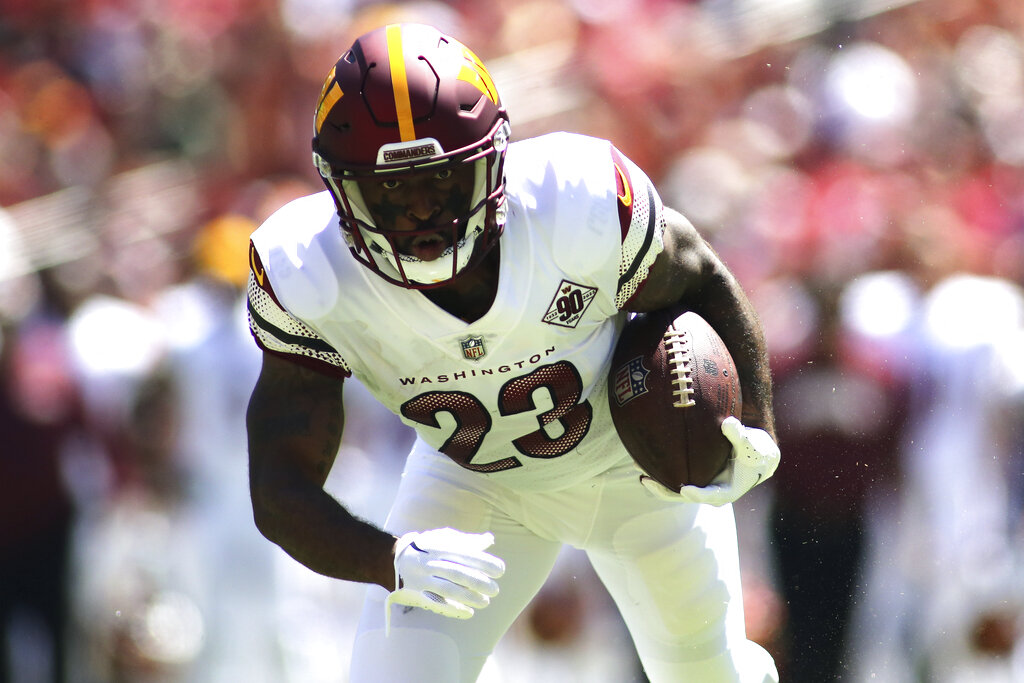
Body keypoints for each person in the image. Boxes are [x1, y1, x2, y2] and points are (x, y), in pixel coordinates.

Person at [244, 23, 780, 683]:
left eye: (440, 182)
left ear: (495, 158)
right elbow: (278, 486)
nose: (418, 216)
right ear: (338, 187)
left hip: (636, 467)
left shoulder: (575, 202)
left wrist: (754, 419)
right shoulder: (309, 271)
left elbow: (701, 276)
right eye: (389, 191)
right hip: (474, 486)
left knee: (709, 677)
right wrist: (390, 557)